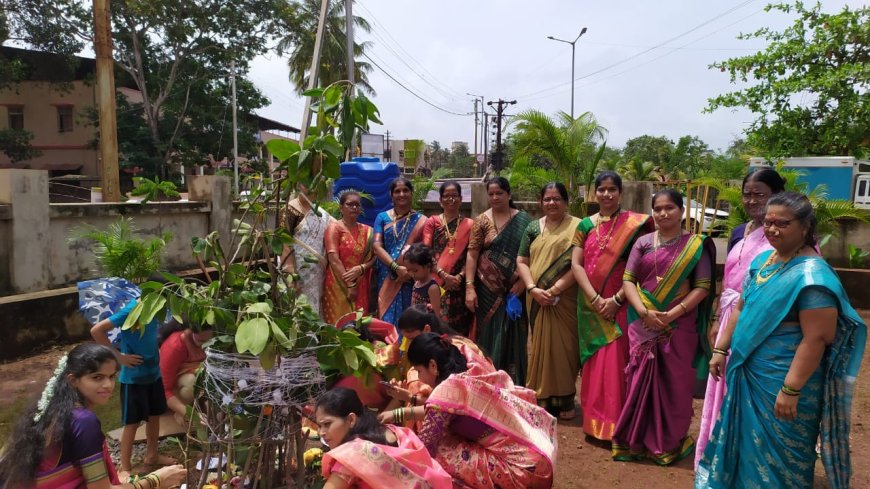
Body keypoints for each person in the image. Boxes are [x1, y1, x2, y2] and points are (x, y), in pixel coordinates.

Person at [696, 192, 867, 488]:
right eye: (768, 222)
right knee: (745, 444)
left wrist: (791, 389)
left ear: (805, 227)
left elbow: (817, 338)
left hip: (782, 380)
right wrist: (721, 349)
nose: (772, 229)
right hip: (749, 372)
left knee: (779, 452)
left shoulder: (813, 277)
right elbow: (741, 307)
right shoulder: (763, 261)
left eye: (782, 223)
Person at [611, 189, 716, 465]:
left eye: (669, 208)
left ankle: (668, 441)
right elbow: (628, 280)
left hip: (679, 324)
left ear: (682, 211)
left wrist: (672, 314)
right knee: (637, 381)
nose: (662, 213)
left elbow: (703, 287)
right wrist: (644, 311)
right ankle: (634, 440)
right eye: (657, 208)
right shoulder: (643, 242)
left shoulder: (695, 245)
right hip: (642, 321)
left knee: (675, 385)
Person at [0, 343, 186, 489]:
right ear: (73, 380)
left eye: (112, 376)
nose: (108, 385)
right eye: (97, 377)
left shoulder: (51, 409)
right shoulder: (83, 421)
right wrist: (156, 480)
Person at [694, 168, 785, 465]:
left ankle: (751, 459)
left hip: (764, 322)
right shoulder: (737, 232)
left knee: (753, 389)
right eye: (747, 194)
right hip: (729, 318)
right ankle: (722, 453)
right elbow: (728, 279)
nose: (751, 200)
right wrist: (716, 319)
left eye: (760, 193)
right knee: (725, 385)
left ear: (777, 195)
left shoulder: (788, 236)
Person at [409, 333, 557, 488]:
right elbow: (438, 412)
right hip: (541, 453)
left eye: (419, 371)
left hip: (523, 472)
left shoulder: (445, 391)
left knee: (440, 450)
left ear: (433, 366)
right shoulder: (471, 367)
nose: (419, 378)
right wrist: (400, 413)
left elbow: (425, 445)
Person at [571, 171, 653, 441]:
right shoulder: (585, 225)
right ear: (594, 193)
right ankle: (594, 424)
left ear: (620, 192)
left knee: (618, 363)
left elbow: (641, 268)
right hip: (590, 304)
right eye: (601, 189)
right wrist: (595, 299)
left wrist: (617, 299)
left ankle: (618, 424)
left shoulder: (636, 225)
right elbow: (576, 264)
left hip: (621, 302)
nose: (606, 194)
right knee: (594, 365)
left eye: (611, 189)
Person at [517, 182, 581, 419]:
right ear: (540, 201)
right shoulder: (533, 227)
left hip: (565, 298)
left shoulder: (578, 227)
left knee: (566, 348)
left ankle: (565, 400)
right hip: (536, 297)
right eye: (547, 199)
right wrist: (533, 288)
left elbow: (578, 264)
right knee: (540, 345)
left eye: (557, 198)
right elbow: (522, 261)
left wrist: (554, 290)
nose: (552, 203)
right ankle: (541, 396)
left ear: (566, 201)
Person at [91, 300, 176, 478]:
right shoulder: (132, 309)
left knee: (154, 416)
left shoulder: (156, 309)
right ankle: (125, 465)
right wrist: (118, 357)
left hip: (153, 374)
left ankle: (152, 455)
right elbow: (97, 330)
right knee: (132, 423)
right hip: (134, 379)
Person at [464, 177, 532, 385]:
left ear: (509, 195)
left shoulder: (524, 221)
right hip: (486, 291)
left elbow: (532, 254)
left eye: (499, 193)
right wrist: (469, 287)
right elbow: (472, 255)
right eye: (491, 194)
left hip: (515, 290)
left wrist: (523, 283)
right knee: (487, 334)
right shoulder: (481, 221)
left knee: (514, 335)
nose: (495, 197)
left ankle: (514, 383)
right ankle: (487, 381)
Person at [316, 387, 453, 489]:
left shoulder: (352, 456)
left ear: (351, 419)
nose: (321, 432)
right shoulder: (398, 433)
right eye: (319, 426)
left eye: (327, 424)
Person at [422, 181, 475, 337]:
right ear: (440, 200)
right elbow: (426, 252)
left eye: (454, 196)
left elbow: (472, 255)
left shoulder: (470, 224)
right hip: (436, 285)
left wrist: (459, 277)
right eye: (446, 196)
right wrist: (444, 275)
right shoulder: (432, 222)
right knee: (436, 326)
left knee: (459, 330)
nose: (450, 199)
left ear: (461, 199)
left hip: (459, 286)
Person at [373, 177, 425, 325]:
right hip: (387, 276)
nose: (402, 194)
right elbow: (377, 247)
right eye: (397, 191)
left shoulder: (421, 221)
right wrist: (396, 268)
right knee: (386, 318)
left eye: (405, 190)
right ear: (391, 195)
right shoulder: (382, 218)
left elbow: (424, 250)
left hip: (411, 278)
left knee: (410, 318)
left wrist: (408, 273)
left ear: (411, 193)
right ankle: (388, 348)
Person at [322, 190, 376, 325]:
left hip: (361, 284)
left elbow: (375, 257)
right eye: (350, 204)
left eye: (357, 205)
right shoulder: (334, 228)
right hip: (338, 284)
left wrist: (362, 268)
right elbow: (333, 259)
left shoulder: (368, 230)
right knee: (338, 326)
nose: (354, 208)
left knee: (359, 326)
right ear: (341, 208)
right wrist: (350, 284)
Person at [280, 187, 335, 316]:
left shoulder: (322, 214)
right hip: (297, 274)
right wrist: (291, 276)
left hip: (317, 276)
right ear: (299, 185)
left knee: (314, 313)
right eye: (307, 182)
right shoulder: (290, 210)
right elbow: (284, 244)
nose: (312, 186)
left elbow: (339, 228)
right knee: (296, 314)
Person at [158, 320, 214, 427]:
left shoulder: (214, 340)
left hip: (196, 376)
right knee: (191, 383)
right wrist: (186, 413)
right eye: (200, 341)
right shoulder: (174, 345)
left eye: (208, 341)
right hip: (174, 387)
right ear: (190, 330)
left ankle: (197, 405)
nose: (204, 345)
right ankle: (180, 410)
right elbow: (163, 389)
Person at [404, 243, 442, 317]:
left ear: (427, 266)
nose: (412, 274)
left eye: (415, 270)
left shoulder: (432, 288)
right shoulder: (417, 283)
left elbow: (436, 316)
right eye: (408, 270)